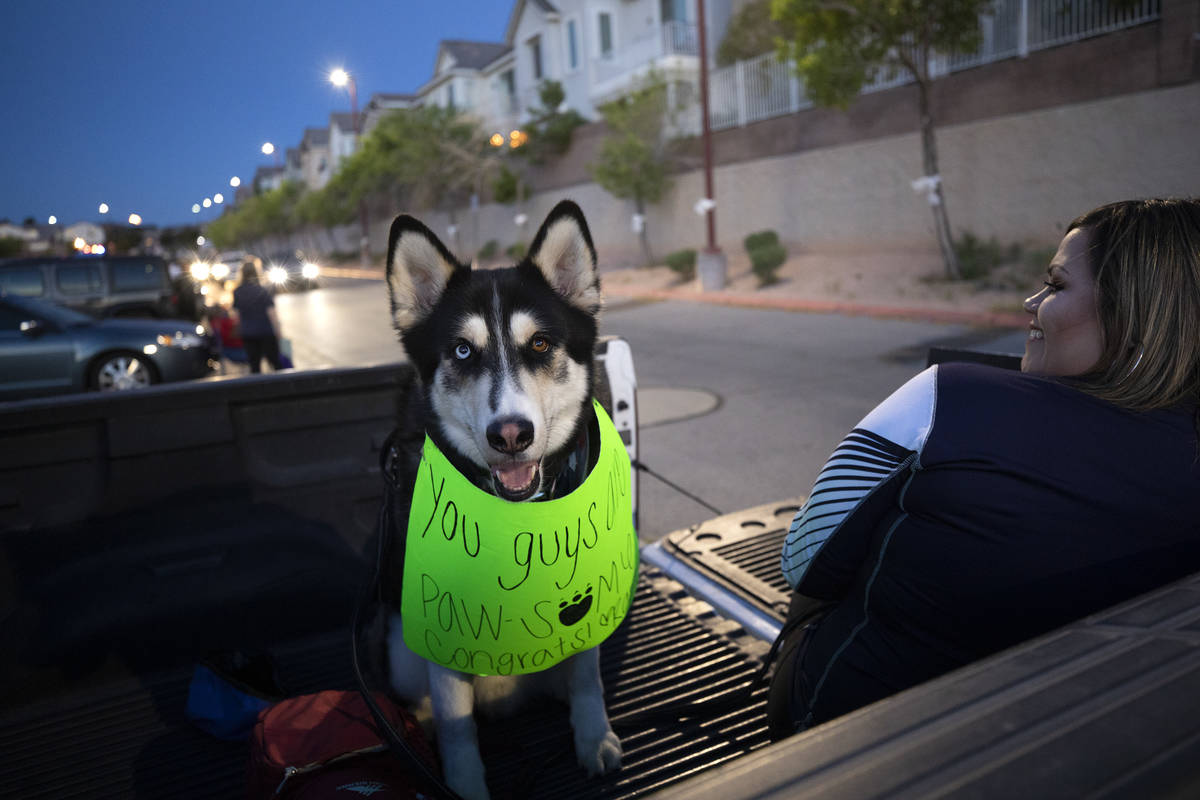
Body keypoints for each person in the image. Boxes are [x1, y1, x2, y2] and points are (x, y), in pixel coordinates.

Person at [767, 198, 1200, 737]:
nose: (1030, 300)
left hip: (853, 729)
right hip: (1078, 733)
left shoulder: (950, 398)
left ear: (1137, 314)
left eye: (1057, 285)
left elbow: (803, 563)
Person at [232, 259, 283, 373]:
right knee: (275, 363)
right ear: (256, 272)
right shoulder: (263, 290)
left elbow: (236, 316)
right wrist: (278, 332)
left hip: (248, 333)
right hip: (266, 332)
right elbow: (272, 314)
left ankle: (257, 389)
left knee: (254, 366)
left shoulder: (237, 292)